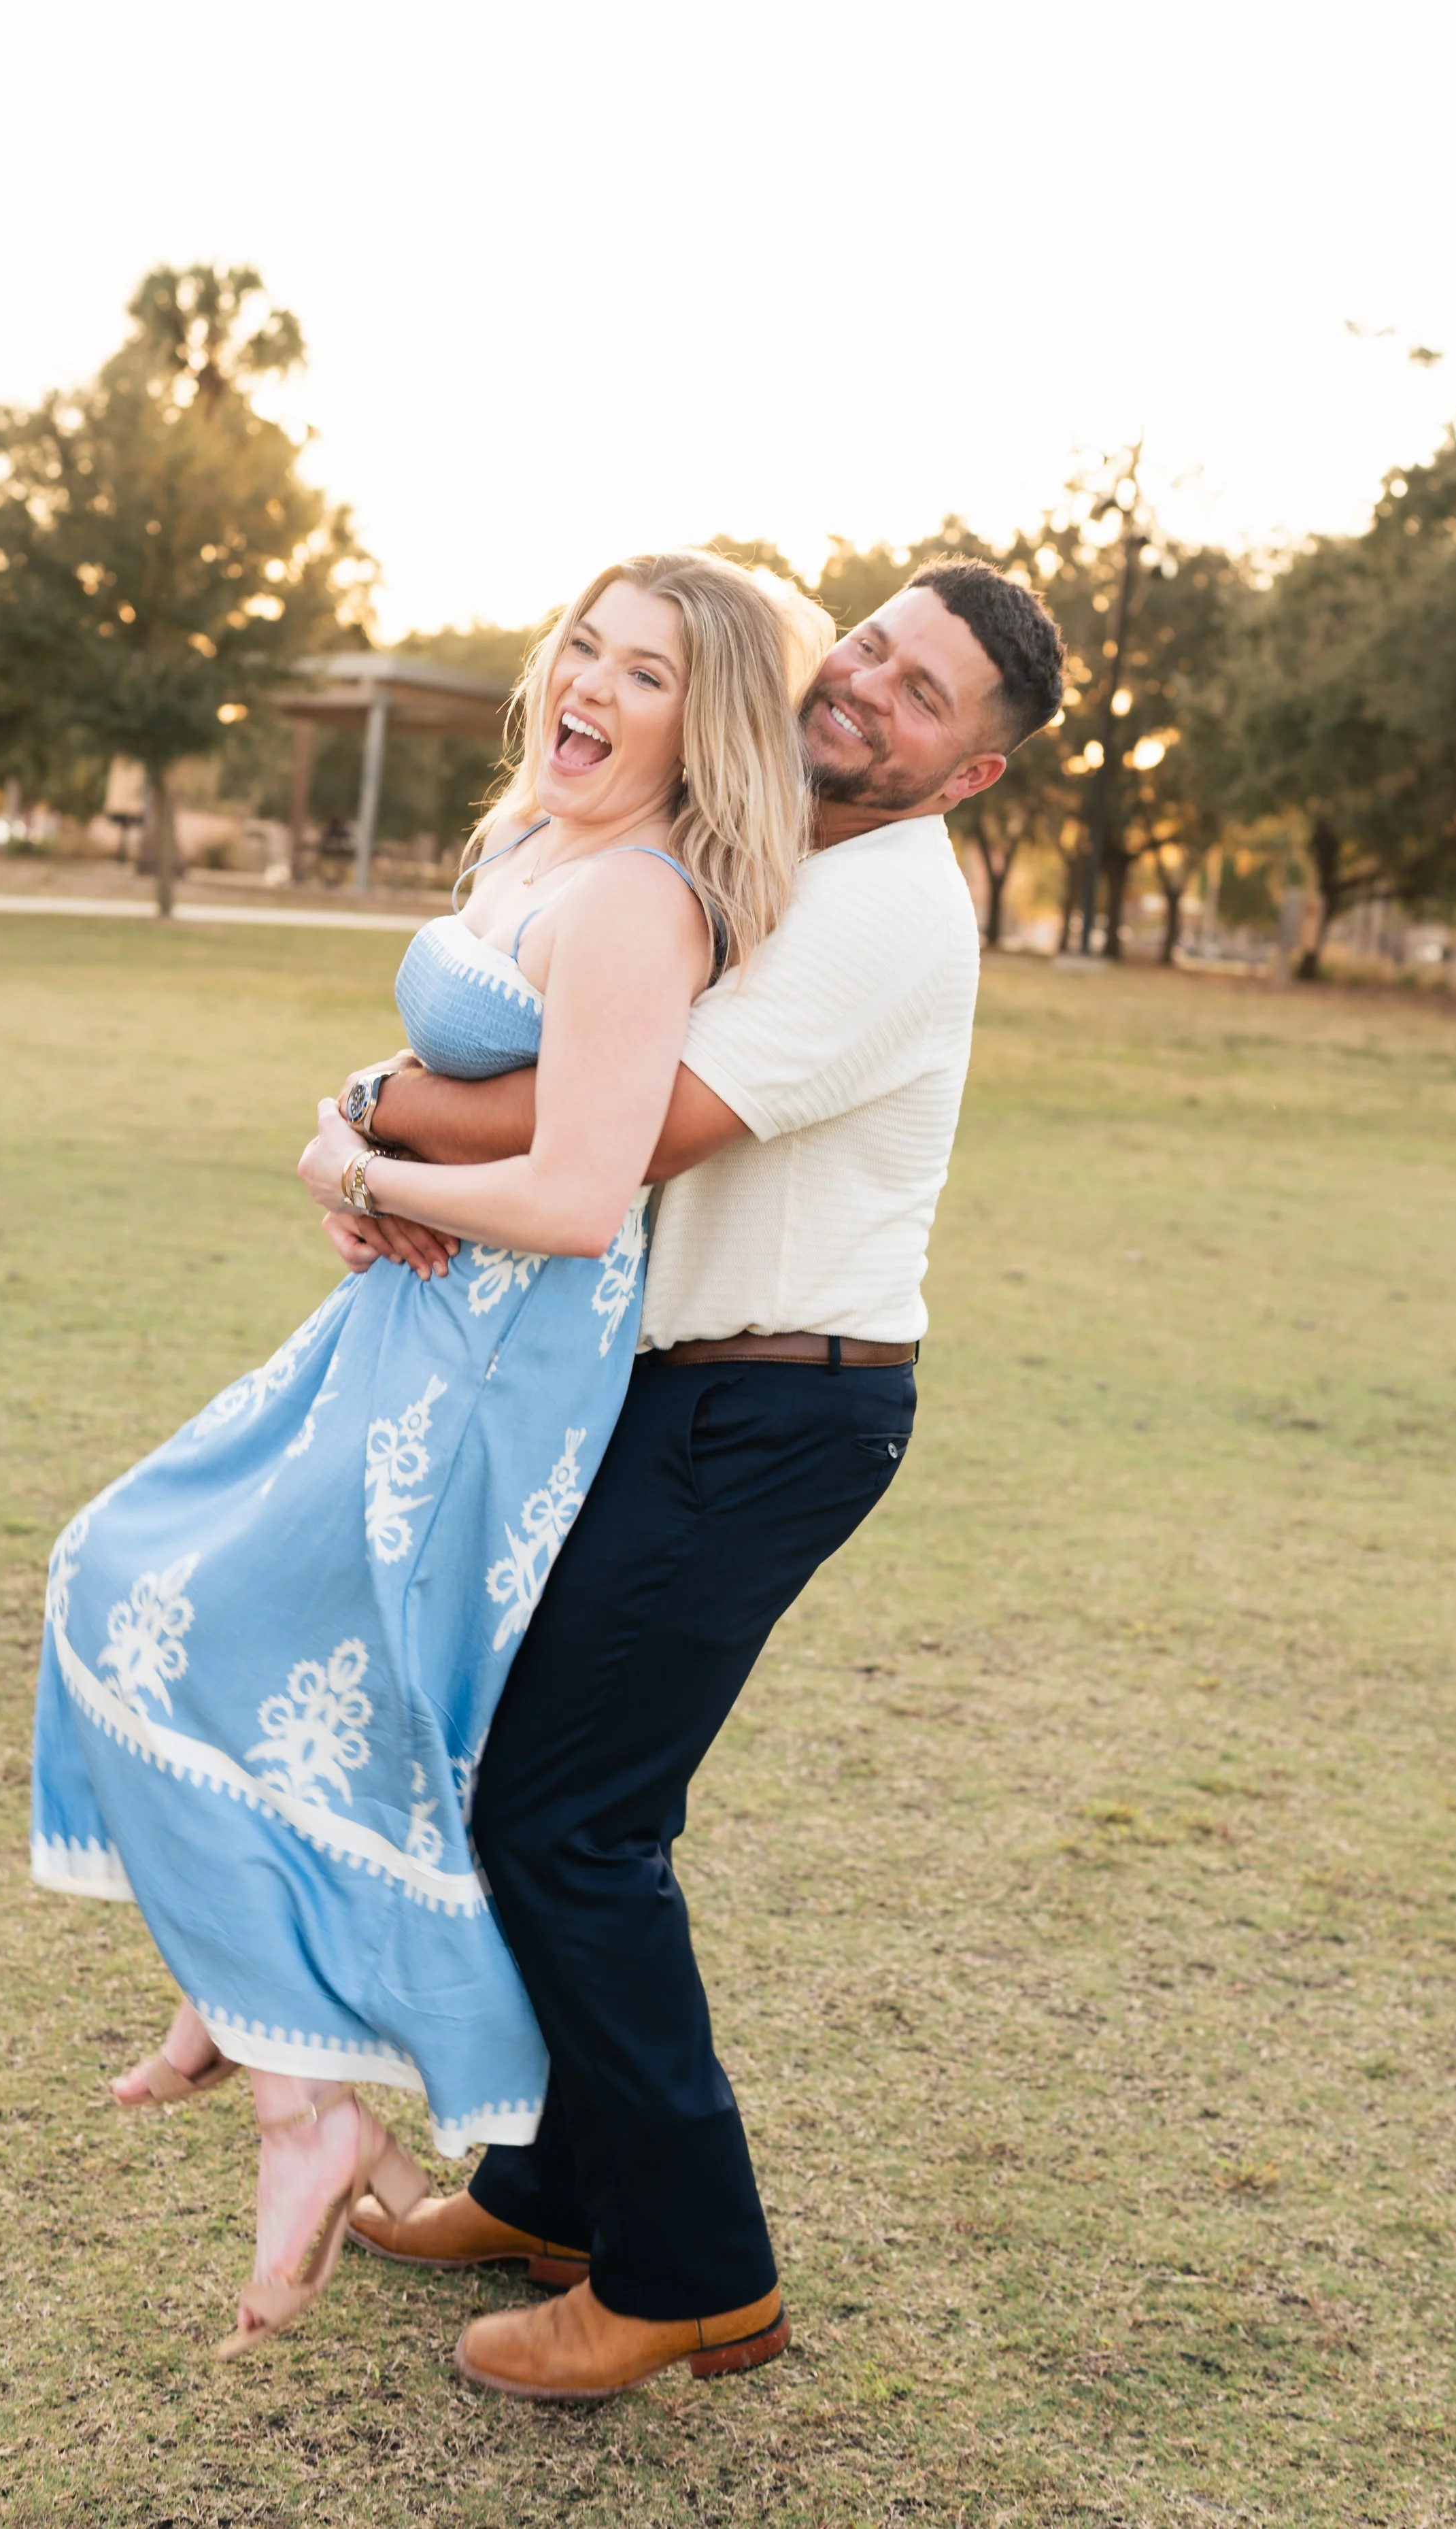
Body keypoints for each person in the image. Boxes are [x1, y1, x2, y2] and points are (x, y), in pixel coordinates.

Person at [29, 549, 828, 2357]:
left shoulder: (638, 898)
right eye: (584, 647)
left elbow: (573, 1187)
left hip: (490, 1366)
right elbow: (462, 1063)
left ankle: (293, 2070)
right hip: (406, 1324)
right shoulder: (533, 847)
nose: (591, 686)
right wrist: (352, 1115)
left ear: (703, 735)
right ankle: (272, 2038)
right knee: (147, 1577)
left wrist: (358, 1168)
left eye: (646, 675)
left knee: (181, 1601)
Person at [322, 558, 1066, 2401]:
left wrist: (380, 1119)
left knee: (573, 1822)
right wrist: (385, 1101)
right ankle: (557, 2186)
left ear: (967, 773)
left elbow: (629, 1124)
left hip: (775, 1413)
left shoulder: (886, 910)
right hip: (677, 1392)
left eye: (921, 699)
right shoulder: (770, 845)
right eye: (874, 649)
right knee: (535, 1787)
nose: (870, 691)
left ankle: (691, 2272)